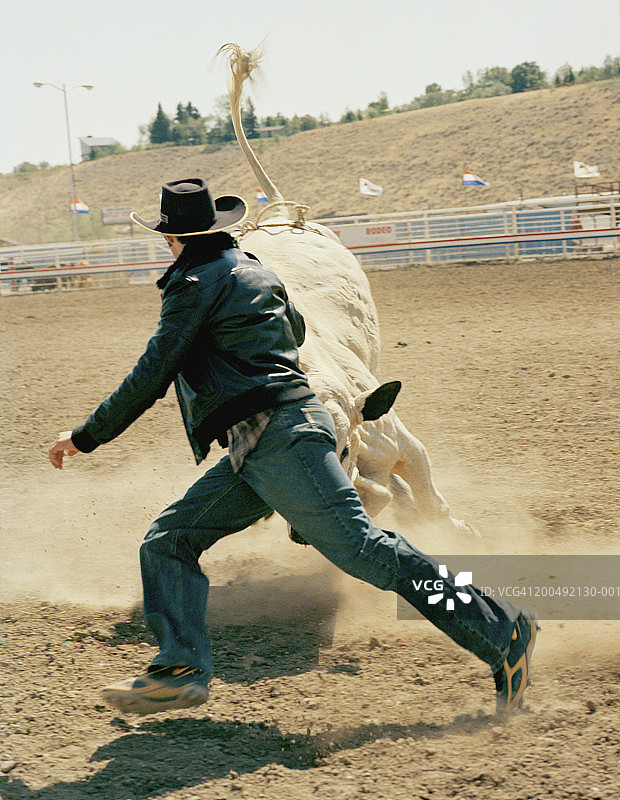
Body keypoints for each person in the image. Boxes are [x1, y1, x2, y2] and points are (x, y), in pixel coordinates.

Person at [49, 177, 538, 716]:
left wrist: (87, 435)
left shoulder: (192, 282)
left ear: (174, 237)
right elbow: (298, 330)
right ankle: (180, 668)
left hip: (278, 438)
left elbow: (156, 368)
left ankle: (504, 626)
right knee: (168, 540)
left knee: (364, 551)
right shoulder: (258, 270)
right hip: (269, 438)